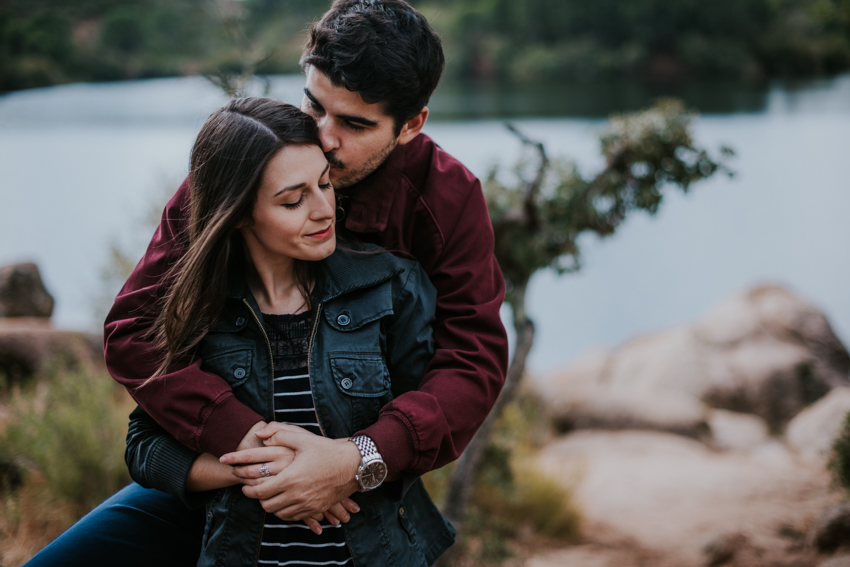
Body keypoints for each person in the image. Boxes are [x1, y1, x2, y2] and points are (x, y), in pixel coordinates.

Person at [25, 0, 507, 565]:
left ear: (412, 125)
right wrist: (257, 447)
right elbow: (136, 329)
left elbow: (472, 363)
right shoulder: (251, 159)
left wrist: (357, 459)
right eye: (314, 104)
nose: (323, 138)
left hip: (360, 504)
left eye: (354, 124)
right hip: (223, 480)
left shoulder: (447, 199)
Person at [123, 96, 455, 566]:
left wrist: (350, 467)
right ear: (238, 212)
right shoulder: (201, 308)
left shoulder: (391, 288)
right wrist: (260, 467)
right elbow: (144, 447)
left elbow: (424, 426)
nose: (323, 210)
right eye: (294, 200)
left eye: (325, 184)